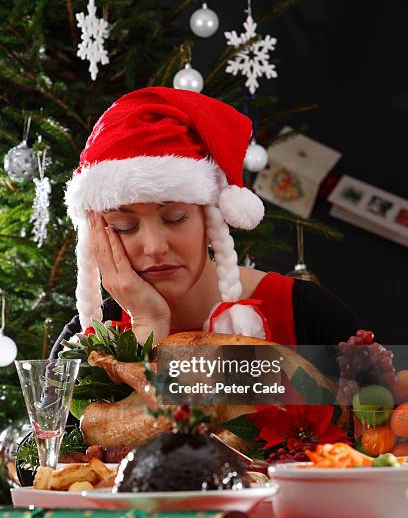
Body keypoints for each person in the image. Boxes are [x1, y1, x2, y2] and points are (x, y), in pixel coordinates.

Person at [50, 86, 360, 358]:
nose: (155, 247)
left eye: (175, 218)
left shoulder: (304, 313)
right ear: (99, 235)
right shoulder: (86, 338)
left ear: (209, 217)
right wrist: (148, 324)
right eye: (125, 226)